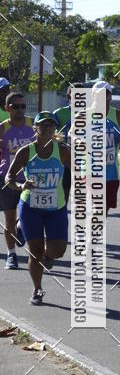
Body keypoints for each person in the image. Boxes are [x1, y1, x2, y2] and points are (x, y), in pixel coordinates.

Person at [6, 112, 70, 305]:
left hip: (56, 208)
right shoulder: (26, 151)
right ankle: (37, 289)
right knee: (35, 251)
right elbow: (9, 177)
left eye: (51, 126)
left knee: (58, 251)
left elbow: (79, 171)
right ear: (35, 129)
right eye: (43, 126)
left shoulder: (64, 150)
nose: (48, 129)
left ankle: (47, 255)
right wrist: (20, 186)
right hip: (30, 207)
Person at [0, 92, 35, 269]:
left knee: (28, 216)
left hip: (31, 179)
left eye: (23, 106)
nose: (20, 110)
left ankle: (21, 226)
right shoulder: (3, 128)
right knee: (9, 219)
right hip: (9, 179)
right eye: (16, 107)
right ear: (7, 108)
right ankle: (11, 255)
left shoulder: (33, 125)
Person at [89, 81, 120, 215]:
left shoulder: (119, 117)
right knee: (98, 207)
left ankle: (94, 232)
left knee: (104, 209)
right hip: (91, 171)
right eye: (98, 94)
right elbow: (73, 135)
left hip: (112, 172)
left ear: (110, 96)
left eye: (105, 94)